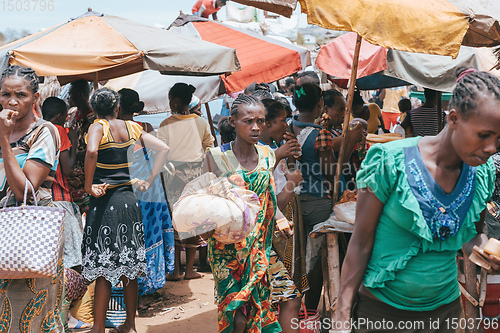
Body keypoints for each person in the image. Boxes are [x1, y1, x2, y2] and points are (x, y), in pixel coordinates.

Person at [334, 70, 500, 332]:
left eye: (498, 139)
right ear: (454, 118)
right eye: (484, 135)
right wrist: (342, 314)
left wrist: (486, 252)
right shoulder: (389, 161)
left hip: (444, 313)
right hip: (380, 313)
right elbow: (360, 242)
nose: (492, 148)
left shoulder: (481, 173)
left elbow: (472, 237)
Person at [82, 88, 169, 333]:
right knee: (129, 266)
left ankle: (98, 327)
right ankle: (130, 325)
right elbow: (163, 148)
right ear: (117, 107)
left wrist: (89, 186)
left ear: (95, 109)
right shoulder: (131, 128)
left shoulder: (97, 127)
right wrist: (149, 180)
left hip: (104, 202)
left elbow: (91, 152)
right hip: (129, 201)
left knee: (103, 266)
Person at [204, 94, 281, 333]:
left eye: (261, 120)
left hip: (259, 248)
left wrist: (280, 219)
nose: (256, 127)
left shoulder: (268, 155)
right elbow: (205, 201)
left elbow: (270, 198)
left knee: (256, 310)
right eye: (248, 121)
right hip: (226, 249)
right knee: (235, 314)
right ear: (233, 122)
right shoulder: (216, 157)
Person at [0, 65, 63, 332]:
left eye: (21, 95)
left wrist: (4, 139)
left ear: (35, 98)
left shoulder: (44, 132)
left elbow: (24, 189)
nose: (12, 101)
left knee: (28, 316)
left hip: (27, 234)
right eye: (5, 94)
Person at [291, 84, 363, 311]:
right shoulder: (319, 135)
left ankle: (302, 311)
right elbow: (331, 172)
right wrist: (350, 142)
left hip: (295, 200)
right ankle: (314, 311)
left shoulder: (289, 126)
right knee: (321, 261)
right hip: (319, 202)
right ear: (320, 105)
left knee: (303, 259)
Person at [116, 88, 175, 296]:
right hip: (151, 191)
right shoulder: (147, 127)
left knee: (131, 239)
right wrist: (150, 180)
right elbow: (162, 152)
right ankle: (150, 284)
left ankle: (132, 292)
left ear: (117, 107)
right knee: (150, 235)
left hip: (130, 191)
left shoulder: (116, 131)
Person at [157, 82, 214, 281]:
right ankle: (190, 269)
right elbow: (209, 146)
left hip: (173, 177)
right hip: (195, 177)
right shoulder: (201, 122)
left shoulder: (166, 124)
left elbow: (160, 151)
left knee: (175, 221)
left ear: (175, 100)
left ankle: (175, 270)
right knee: (192, 220)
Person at [258, 98, 304, 333]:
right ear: (266, 123)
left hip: (279, 233)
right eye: (282, 120)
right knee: (288, 299)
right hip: (272, 236)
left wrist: (289, 157)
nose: (286, 125)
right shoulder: (264, 155)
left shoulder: (271, 151)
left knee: (281, 299)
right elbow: (269, 202)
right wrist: (291, 183)